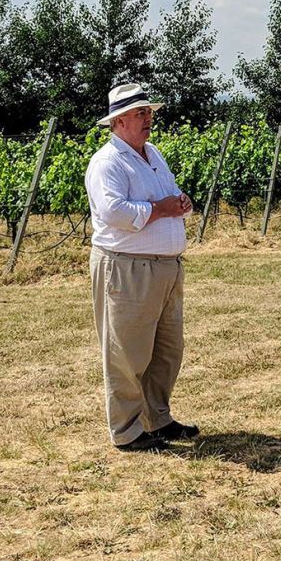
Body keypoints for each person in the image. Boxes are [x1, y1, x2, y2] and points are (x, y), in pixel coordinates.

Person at [84, 83, 197, 453]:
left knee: (166, 350)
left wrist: (181, 202)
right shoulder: (108, 162)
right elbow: (114, 213)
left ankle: (157, 419)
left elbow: (166, 195)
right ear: (118, 121)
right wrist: (163, 209)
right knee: (127, 352)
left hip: (165, 268)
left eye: (149, 111)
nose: (149, 118)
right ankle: (127, 431)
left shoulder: (152, 154)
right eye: (140, 113)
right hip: (128, 268)